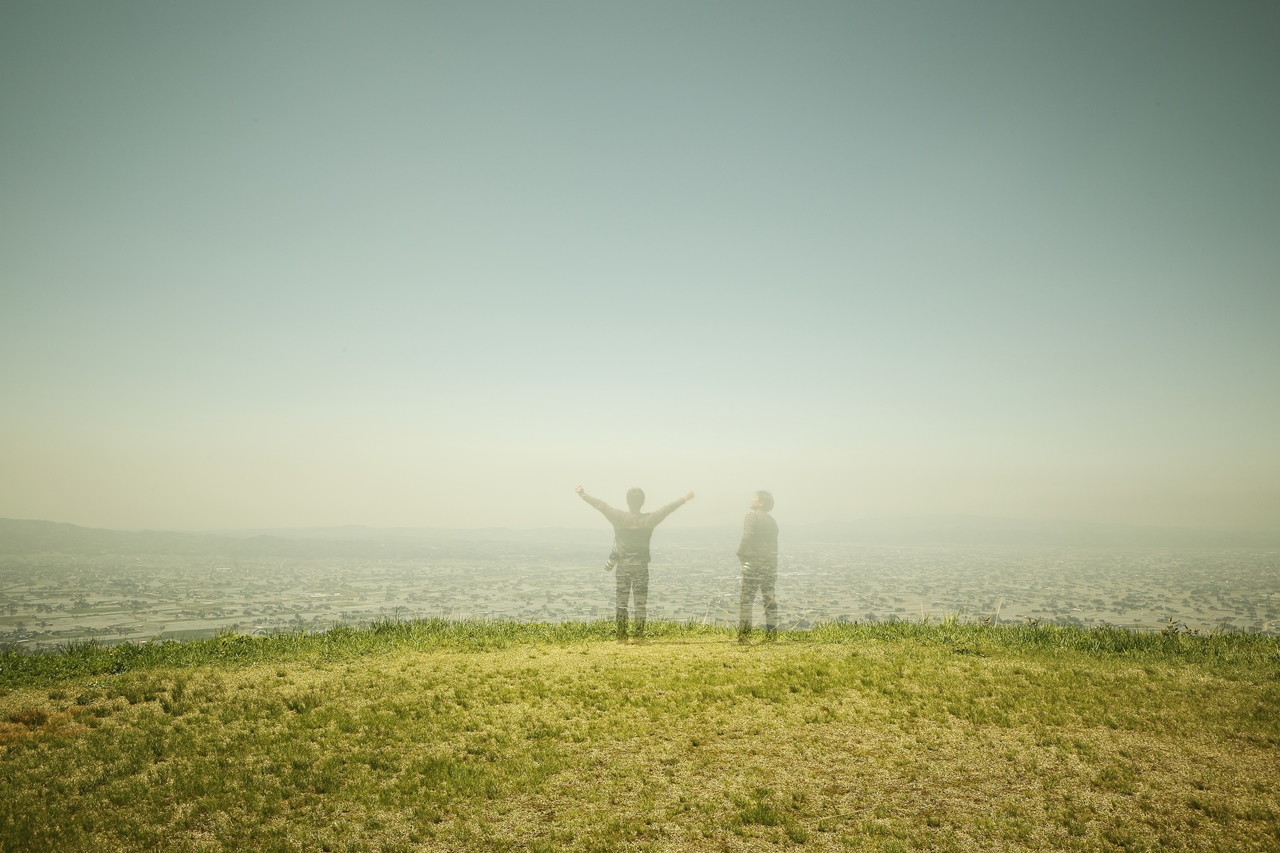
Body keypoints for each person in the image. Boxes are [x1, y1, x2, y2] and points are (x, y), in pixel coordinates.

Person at [576, 485, 694, 641]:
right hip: (641, 567)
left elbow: (601, 505)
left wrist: (583, 495)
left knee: (621, 604)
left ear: (627, 501)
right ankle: (638, 637)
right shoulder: (649, 520)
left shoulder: (619, 517)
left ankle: (621, 637)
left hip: (623, 567)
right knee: (640, 604)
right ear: (642, 502)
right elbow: (667, 509)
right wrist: (684, 498)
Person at [737, 490, 779, 642]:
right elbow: (775, 547)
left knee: (747, 601)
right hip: (769, 565)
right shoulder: (772, 521)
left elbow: (747, 537)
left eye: (754, 497)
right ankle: (772, 636)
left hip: (754, 565)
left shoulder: (752, 516)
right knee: (769, 601)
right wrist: (774, 568)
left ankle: (744, 637)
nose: (751, 499)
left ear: (761, 502)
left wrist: (742, 556)